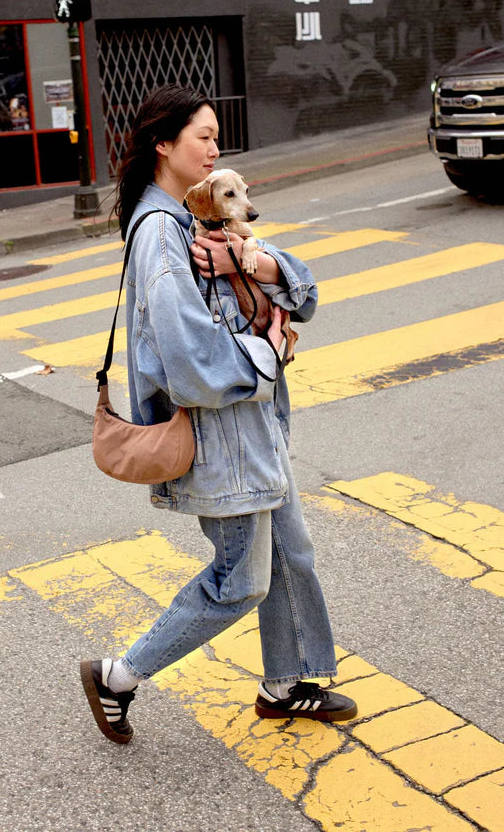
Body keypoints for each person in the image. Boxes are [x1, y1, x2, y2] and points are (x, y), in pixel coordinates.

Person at [79, 84, 357, 744]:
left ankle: (287, 684)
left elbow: (305, 294)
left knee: (294, 552)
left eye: (216, 136)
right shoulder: (160, 235)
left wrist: (255, 260)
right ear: (162, 143)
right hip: (220, 441)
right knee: (242, 579)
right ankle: (118, 674)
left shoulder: (199, 221)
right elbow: (188, 360)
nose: (214, 147)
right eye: (202, 135)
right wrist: (266, 354)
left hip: (251, 433)